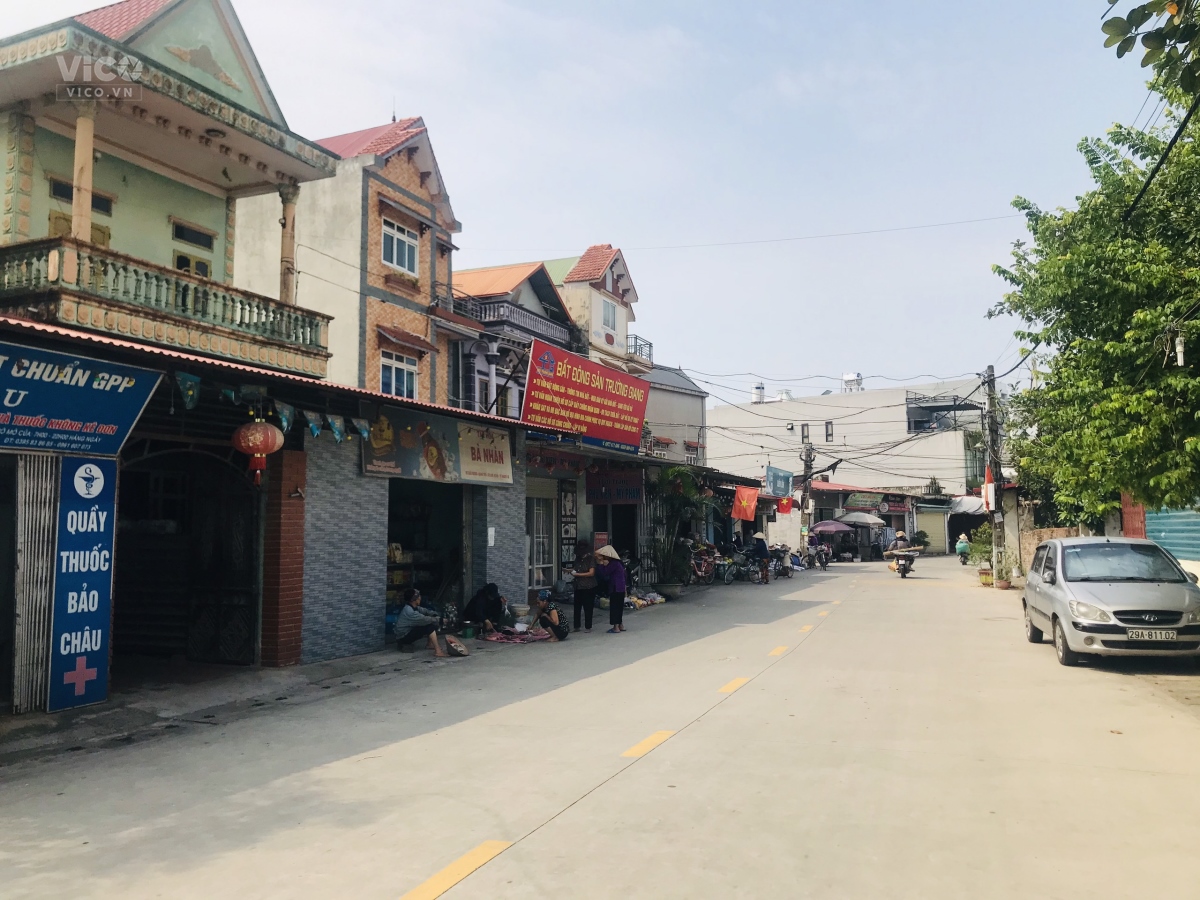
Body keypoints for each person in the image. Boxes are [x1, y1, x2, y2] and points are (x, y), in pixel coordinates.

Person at [395, 589, 448, 656]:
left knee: (432, 622)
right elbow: (425, 619)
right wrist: (440, 620)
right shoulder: (409, 611)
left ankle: (430, 644)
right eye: (418, 597)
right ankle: (438, 651)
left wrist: (435, 615)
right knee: (429, 626)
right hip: (402, 637)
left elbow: (426, 611)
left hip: (407, 632)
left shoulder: (414, 607)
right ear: (414, 600)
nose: (420, 598)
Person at [595, 544, 627, 633]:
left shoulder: (613, 564)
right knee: (619, 607)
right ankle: (620, 625)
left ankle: (616, 627)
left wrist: (601, 565)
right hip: (621, 587)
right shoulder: (619, 563)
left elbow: (604, 573)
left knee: (614, 607)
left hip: (615, 587)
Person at [570, 540, 598, 633]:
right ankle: (576, 626)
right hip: (578, 586)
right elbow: (575, 568)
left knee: (588, 607)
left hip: (588, 586)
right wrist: (570, 571)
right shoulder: (577, 559)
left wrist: (578, 575)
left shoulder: (591, 559)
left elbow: (591, 573)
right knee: (577, 607)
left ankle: (588, 626)